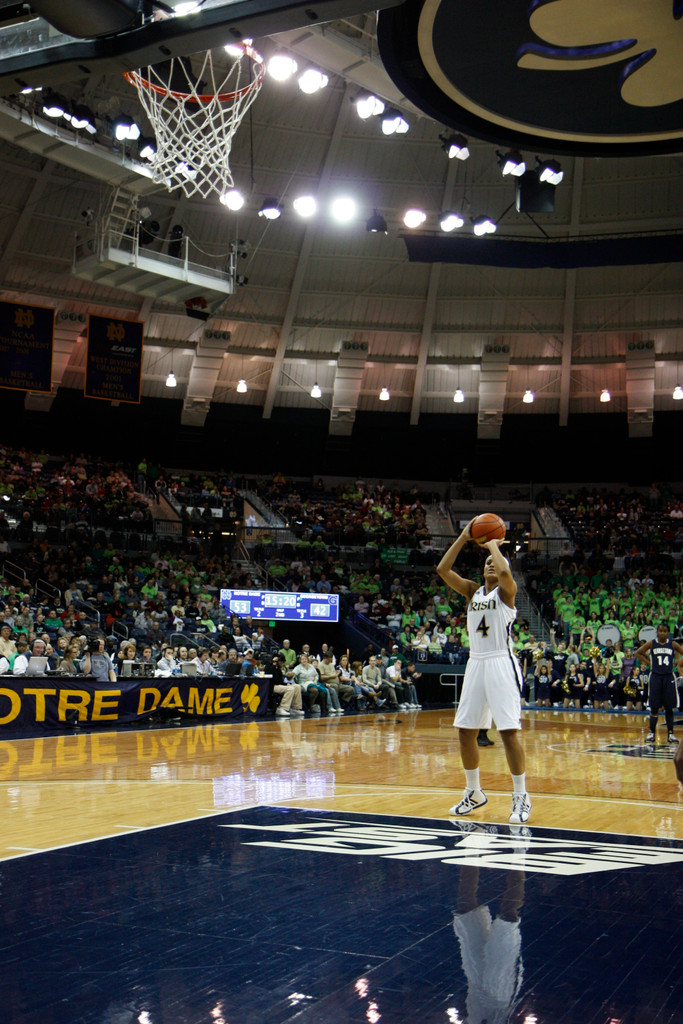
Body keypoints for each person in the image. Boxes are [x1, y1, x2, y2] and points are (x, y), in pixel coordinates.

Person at [437, 519, 531, 824]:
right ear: (481, 570)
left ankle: (521, 795)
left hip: (501, 662)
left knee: (507, 732)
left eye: (495, 561)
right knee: (466, 732)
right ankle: (474, 792)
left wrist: (493, 541)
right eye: (487, 562)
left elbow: (505, 571)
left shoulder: (507, 592)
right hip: (475, 662)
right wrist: (465, 537)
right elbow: (442, 569)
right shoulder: (472, 592)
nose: (492, 564)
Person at [634, 623, 683, 744]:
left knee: (669, 707)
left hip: (668, 677)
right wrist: (649, 663)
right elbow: (637, 653)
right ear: (657, 632)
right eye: (660, 631)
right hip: (655, 677)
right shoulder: (652, 643)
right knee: (654, 706)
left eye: (665, 631)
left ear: (668, 632)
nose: (663, 633)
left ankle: (670, 734)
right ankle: (651, 733)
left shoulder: (672, 643)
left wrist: (677, 662)